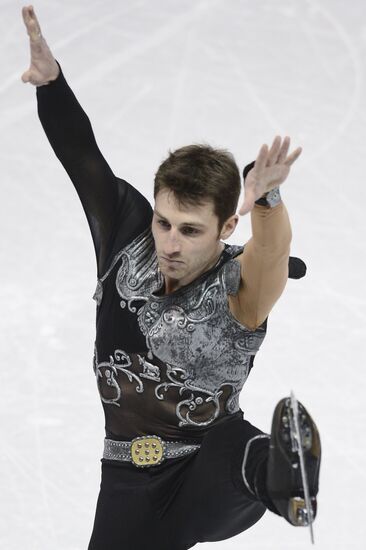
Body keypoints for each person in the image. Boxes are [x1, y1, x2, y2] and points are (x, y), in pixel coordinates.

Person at [21, 5, 321, 550]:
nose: (170, 243)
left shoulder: (239, 285)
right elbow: (82, 158)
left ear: (227, 224)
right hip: (126, 479)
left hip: (210, 470)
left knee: (235, 453)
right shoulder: (128, 241)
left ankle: (283, 478)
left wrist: (270, 198)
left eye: (190, 229)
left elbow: (272, 252)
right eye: (164, 222)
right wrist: (52, 85)